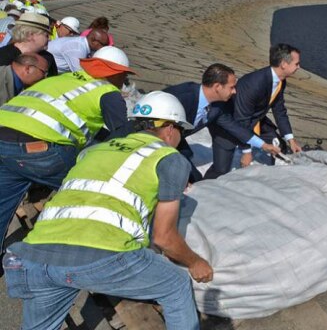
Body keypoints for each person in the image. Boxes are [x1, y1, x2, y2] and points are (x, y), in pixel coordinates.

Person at [3, 91, 212, 329]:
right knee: (175, 284)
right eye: (181, 132)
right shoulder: (169, 158)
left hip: (33, 258)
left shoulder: (92, 151)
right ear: (170, 128)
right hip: (98, 259)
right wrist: (195, 262)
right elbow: (164, 237)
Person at [0, 46, 135, 253]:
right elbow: (122, 134)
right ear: (115, 73)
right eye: (124, 76)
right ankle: (77, 252)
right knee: (88, 190)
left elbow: (62, 115)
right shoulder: (107, 92)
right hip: (40, 150)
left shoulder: (58, 80)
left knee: (3, 202)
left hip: (4, 139)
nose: (123, 81)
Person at [162, 63, 276, 182]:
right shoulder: (181, 97)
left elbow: (234, 127)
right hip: (155, 138)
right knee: (187, 176)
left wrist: (263, 145)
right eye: (231, 87)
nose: (235, 92)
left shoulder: (217, 107)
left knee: (194, 177)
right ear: (217, 87)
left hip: (175, 139)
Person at [204, 43, 301, 179]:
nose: (299, 67)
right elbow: (241, 119)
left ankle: (280, 177)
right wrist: (246, 151)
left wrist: (291, 139)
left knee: (279, 144)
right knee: (221, 169)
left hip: (255, 120)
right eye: (297, 64)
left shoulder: (280, 81)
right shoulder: (254, 83)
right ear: (284, 64)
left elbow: (279, 110)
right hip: (230, 123)